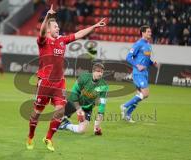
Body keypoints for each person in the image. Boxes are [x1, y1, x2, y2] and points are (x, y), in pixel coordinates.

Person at [26, 4, 106, 151]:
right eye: (55, 26)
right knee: (37, 113)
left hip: (59, 83)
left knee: (60, 111)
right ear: (49, 29)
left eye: (57, 26)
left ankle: (48, 138)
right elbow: (42, 30)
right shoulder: (43, 40)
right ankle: (31, 135)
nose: (58, 28)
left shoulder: (62, 40)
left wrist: (94, 26)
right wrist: (48, 17)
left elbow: (79, 33)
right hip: (44, 82)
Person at [120, 25, 159, 123]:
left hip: (145, 72)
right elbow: (128, 57)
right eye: (148, 32)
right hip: (138, 73)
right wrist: (137, 65)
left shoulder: (148, 45)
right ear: (143, 33)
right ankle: (124, 106)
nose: (150, 33)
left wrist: (152, 63)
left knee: (140, 95)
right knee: (145, 94)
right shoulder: (138, 44)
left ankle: (128, 115)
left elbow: (146, 59)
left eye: (150, 32)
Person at [59, 63, 108, 135]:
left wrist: (97, 126)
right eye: (98, 71)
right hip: (74, 102)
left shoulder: (104, 85)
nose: (100, 74)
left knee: (81, 130)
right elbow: (74, 93)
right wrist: (78, 109)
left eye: (101, 72)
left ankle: (66, 125)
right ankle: (63, 118)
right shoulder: (84, 78)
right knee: (56, 120)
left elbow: (102, 105)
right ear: (93, 71)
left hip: (87, 107)